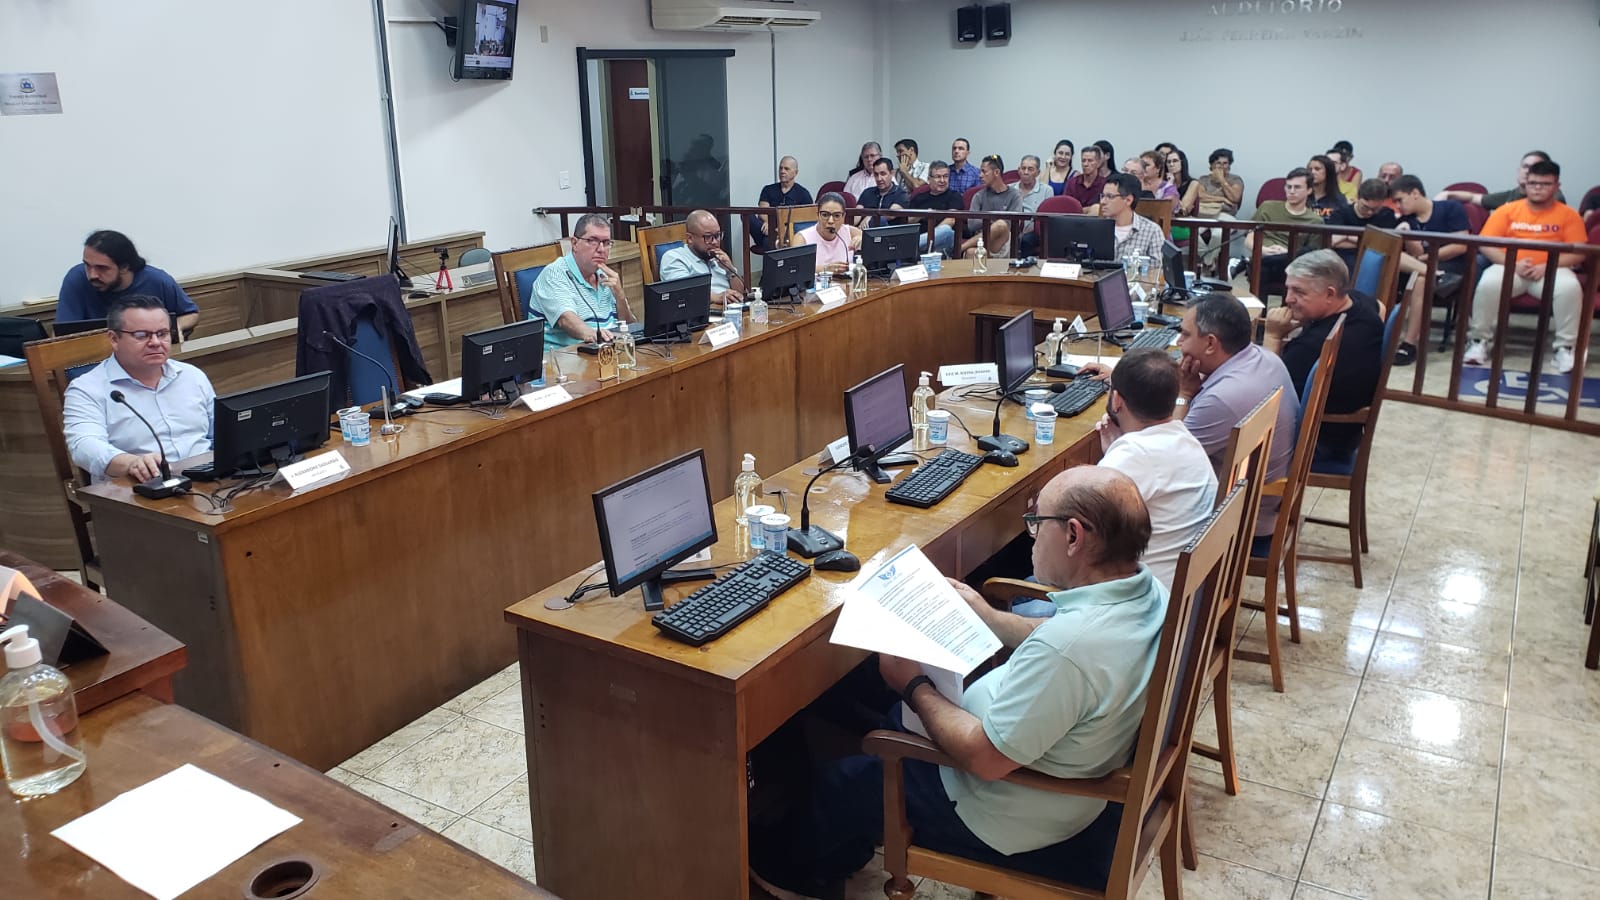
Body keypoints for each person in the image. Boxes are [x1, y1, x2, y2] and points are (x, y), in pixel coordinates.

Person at [750, 465, 1163, 898]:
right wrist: (990, 618)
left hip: (1006, 815)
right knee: (876, 716)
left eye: (1037, 523)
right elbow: (1063, 636)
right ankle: (841, 845)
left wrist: (913, 685)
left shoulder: (1069, 650)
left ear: (1074, 536)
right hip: (1064, 787)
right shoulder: (1145, 592)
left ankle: (790, 873)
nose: (1032, 536)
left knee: (849, 782)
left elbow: (985, 759)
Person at [1173, 293, 1300, 546]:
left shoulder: (1222, 399)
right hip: (1258, 500)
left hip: (1238, 519)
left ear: (1211, 343)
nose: (1179, 342)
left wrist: (1184, 395)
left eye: (1185, 335)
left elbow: (1169, 459)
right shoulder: (1264, 358)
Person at [1092, 349, 1219, 589]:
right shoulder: (1186, 439)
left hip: (1143, 601)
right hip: (1185, 593)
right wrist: (1114, 454)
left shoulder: (1132, 456)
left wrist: (1114, 458)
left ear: (1116, 400)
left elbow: (1080, 534)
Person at [62, 295, 215, 484]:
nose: (155, 342)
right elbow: (83, 446)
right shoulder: (87, 389)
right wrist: (131, 463)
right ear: (114, 339)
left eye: (162, 333)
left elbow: (221, 431)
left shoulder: (192, 376)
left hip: (207, 479)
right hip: (138, 487)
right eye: (142, 335)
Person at [1463, 160, 1589, 374]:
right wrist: (1512, 264)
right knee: (1488, 283)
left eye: (1545, 184)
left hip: (1551, 270)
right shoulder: (1507, 210)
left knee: (1570, 288)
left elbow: (1579, 252)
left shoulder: (1569, 215)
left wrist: (1548, 266)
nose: (1537, 188)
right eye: (1532, 183)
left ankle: (1565, 348)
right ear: (1525, 184)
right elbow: (1485, 244)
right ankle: (1478, 341)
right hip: (1511, 267)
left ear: (1557, 186)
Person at [1262, 250, 1385, 468]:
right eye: (1288, 288)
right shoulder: (1358, 303)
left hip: (1317, 442)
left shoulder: (1313, 346)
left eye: (1299, 292)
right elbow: (1381, 306)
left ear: (1330, 294)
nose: (1288, 299)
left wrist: (1273, 336)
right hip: (1345, 434)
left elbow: (1263, 397)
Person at [1392, 175, 1472, 365]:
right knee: (1393, 258)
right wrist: (1408, 237)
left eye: (1400, 200)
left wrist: (1425, 260)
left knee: (1420, 279)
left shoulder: (1450, 208)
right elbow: (1417, 253)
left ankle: (1409, 344)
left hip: (1450, 268)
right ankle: (1431, 273)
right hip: (1423, 267)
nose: (1398, 206)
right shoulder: (1407, 220)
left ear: (1415, 193)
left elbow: (1460, 245)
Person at [57, 230, 200, 335]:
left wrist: (173, 328)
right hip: (93, 358)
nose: (92, 275)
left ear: (124, 267)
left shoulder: (157, 280)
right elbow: (62, 332)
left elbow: (191, 314)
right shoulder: (76, 278)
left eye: (102, 268)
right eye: (87, 265)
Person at [528, 213, 634, 349]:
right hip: (564, 357)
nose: (601, 249)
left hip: (606, 352)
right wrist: (595, 334)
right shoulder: (554, 274)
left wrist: (620, 296)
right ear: (574, 243)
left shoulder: (605, 276)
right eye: (593, 241)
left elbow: (629, 326)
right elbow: (566, 320)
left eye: (606, 243)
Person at [1236, 167, 1323, 282]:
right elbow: (1249, 239)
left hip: (1292, 264)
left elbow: (1311, 255)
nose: (1292, 191)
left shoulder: (1315, 220)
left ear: (1309, 190)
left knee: (1287, 263)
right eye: (1288, 187)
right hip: (1262, 256)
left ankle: (1245, 262)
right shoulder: (1267, 207)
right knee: (1262, 267)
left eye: (1297, 187)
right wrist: (1262, 250)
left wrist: (1286, 253)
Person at [659, 210, 746, 306]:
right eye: (708, 237)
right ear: (690, 238)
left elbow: (740, 294)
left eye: (717, 235)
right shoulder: (674, 257)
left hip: (730, 309)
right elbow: (683, 292)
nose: (715, 242)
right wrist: (717, 297)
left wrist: (730, 270)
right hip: (700, 311)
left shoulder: (718, 259)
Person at [1437, 150, 1565, 210]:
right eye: (1525, 167)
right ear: (1518, 170)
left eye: (1534, 168)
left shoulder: (1553, 197)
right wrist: (1447, 194)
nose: (1528, 171)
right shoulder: (1511, 195)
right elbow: (1474, 197)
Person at [1325, 178, 1399, 270]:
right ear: (1357, 198)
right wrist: (1370, 242)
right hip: (1341, 259)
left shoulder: (1386, 215)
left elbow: (1384, 245)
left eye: (1375, 209)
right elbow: (1333, 242)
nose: (1369, 212)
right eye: (1365, 207)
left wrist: (1347, 236)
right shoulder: (1340, 213)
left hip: (1375, 261)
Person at [962, 155, 1021, 258]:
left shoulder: (1014, 195)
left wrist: (989, 221)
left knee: (1001, 225)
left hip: (1003, 241)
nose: (980, 175)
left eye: (984, 172)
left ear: (996, 172)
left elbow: (1012, 224)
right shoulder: (979, 196)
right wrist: (993, 221)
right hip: (980, 240)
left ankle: (960, 248)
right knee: (971, 252)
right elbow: (971, 224)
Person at [1194, 149, 1246, 266]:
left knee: (1218, 235)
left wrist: (1222, 180)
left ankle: (1206, 263)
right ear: (1212, 165)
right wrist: (1222, 199)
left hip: (1225, 215)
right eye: (1218, 163)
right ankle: (1209, 261)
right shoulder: (1204, 179)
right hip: (1204, 215)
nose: (1222, 166)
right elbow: (1200, 195)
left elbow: (1235, 198)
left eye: (1225, 163)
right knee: (1191, 233)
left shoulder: (1235, 180)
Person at [750, 156, 812, 252]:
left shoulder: (803, 193)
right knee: (748, 216)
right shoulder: (768, 189)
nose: (782, 171)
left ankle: (772, 241)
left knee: (768, 242)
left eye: (786, 169)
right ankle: (771, 239)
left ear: (795, 173)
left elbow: (807, 220)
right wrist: (770, 224)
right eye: (781, 168)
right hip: (766, 228)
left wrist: (782, 229)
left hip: (789, 233)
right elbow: (762, 211)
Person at [1100, 173, 1164, 262]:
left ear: (1128, 200)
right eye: (1102, 196)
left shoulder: (1152, 231)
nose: (1102, 202)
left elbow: (1157, 267)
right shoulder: (1097, 229)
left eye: (1110, 197)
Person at [795, 192, 862, 275]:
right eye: (825, 215)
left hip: (845, 282)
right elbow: (797, 268)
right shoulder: (802, 238)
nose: (830, 221)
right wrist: (826, 269)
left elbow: (874, 244)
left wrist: (864, 241)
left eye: (836, 216)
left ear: (843, 217)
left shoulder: (851, 232)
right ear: (818, 215)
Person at [909, 161, 963, 257]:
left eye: (945, 176)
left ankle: (909, 246)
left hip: (942, 242)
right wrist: (923, 214)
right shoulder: (919, 198)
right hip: (920, 238)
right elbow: (908, 221)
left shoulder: (954, 196)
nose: (942, 180)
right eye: (938, 177)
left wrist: (931, 236)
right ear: (929, 179)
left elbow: (951, 220)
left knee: (946, 230)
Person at [1013, 154, 1054, 257]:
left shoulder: (1046, 190)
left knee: (1026, 240)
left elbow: (1048, 219)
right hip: (1012, 230)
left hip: (1034, 233)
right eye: (1023, 168)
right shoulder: (1010, 189)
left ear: (1038, 173)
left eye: (1030, 169)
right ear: (1019, 170)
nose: (1026, 172)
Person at [854, 157, 909, 229]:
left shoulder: (901, 194)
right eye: (876, 174)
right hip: (863, 231)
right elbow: (857, 213)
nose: (879, 178)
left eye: (883, 174)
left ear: (891, 173)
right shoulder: (867, 192)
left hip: (889, 233)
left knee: (880, 221)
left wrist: (871, 217)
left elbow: (890, 214)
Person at [1062, 144, 1108, 209]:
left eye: (1090, 161)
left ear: (1098, 163)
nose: (1085, 164)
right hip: (1073, 215)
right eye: (1083, 161)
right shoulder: (1072, 183)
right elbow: (1065, 205)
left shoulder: (1105, 184)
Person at [1306, 154, 1347, 219]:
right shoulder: (1303, 196)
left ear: (1328, 171)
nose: (1312, 172)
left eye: (1317, 169)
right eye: (1310, 169)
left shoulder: (1339, 200)